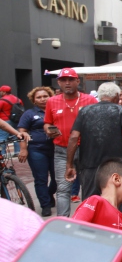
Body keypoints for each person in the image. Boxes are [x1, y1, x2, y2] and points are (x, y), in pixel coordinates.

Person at [66, 83, 122, 200]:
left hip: (89, 163)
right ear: (116, 96)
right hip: (114, 164)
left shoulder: (84, 111)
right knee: (116, 199)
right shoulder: (121, 110)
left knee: (90, 201)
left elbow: (74, 137)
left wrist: (69, 164)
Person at [44, 68, 99, 216]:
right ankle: (63, 224)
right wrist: (51, 131)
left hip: (86, 150)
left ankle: (88, 220)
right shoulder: (52, 101)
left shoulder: (90, 100)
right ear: (59, 83)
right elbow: (48, 122)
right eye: (63, 80)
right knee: (63, 189)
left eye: (70, 79)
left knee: (88, 188)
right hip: (62, 150)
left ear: (77, 81)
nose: (67, 83)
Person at [17, 86, 56, 216]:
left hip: (57, 149)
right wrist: (23, 149)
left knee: (58, 179)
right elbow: (22, 132)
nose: (43, 99)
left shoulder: (56, 110)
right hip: (37, 150)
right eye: (39, 97)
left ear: (50, 96)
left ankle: (49, 193)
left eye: (45, 96)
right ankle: (45, 205)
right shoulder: (29, 114)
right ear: (34, 100)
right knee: (41, 179)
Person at [0, 85, 23, 154]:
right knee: (16, 135)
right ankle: (17, 151)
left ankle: (2, 153)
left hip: (5, 120)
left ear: (4, 92)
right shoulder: (18, 99)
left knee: (2, 137)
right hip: (16, 120)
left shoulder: (2, 100)